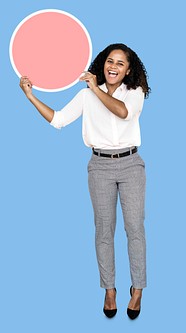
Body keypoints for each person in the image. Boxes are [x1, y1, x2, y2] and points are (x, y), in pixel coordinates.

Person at [19, 43, 151, 320]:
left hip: (130, 165)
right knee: (104, 230)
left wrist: (95, 89)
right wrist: (31, 96)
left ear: (128, 70)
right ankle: (110, 289)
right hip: (99, 166)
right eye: (109, 61)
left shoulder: (135, 93)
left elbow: (123, 113)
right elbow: (58, 120)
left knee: (134, 228)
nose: (113, 66)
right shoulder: (86, 95)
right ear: (103, 63)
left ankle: (137, 289)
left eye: (120, 63)